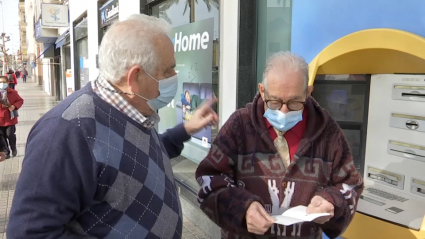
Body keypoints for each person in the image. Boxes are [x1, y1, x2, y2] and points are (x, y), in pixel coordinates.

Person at [7, 14, 218, 238]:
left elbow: (134, 162)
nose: (175, 76)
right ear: (135, 77)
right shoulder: (67, 131)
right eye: (168, 70)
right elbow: (29, 233)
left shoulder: (136, 112)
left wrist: (185, 130)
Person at [195, 51, 364, 239]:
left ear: (308, 92)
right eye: (274, 102)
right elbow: (210, 179)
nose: (284, 111)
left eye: (294, 103)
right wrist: (241, 209)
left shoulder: (327, 133)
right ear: (261, 90)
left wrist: (331, 201)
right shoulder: (239, 126)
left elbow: (350, 184)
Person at [0, 76, 23, 159]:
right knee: (2, 136)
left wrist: (14, 106)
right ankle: (6, 152)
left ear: (7, 83)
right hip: (0, 119)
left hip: (10, 118)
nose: (1, 84)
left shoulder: (13, 92)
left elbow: (20, 100)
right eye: (0, 82)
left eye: (3, 82)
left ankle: (13, 148)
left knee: (10, 135)